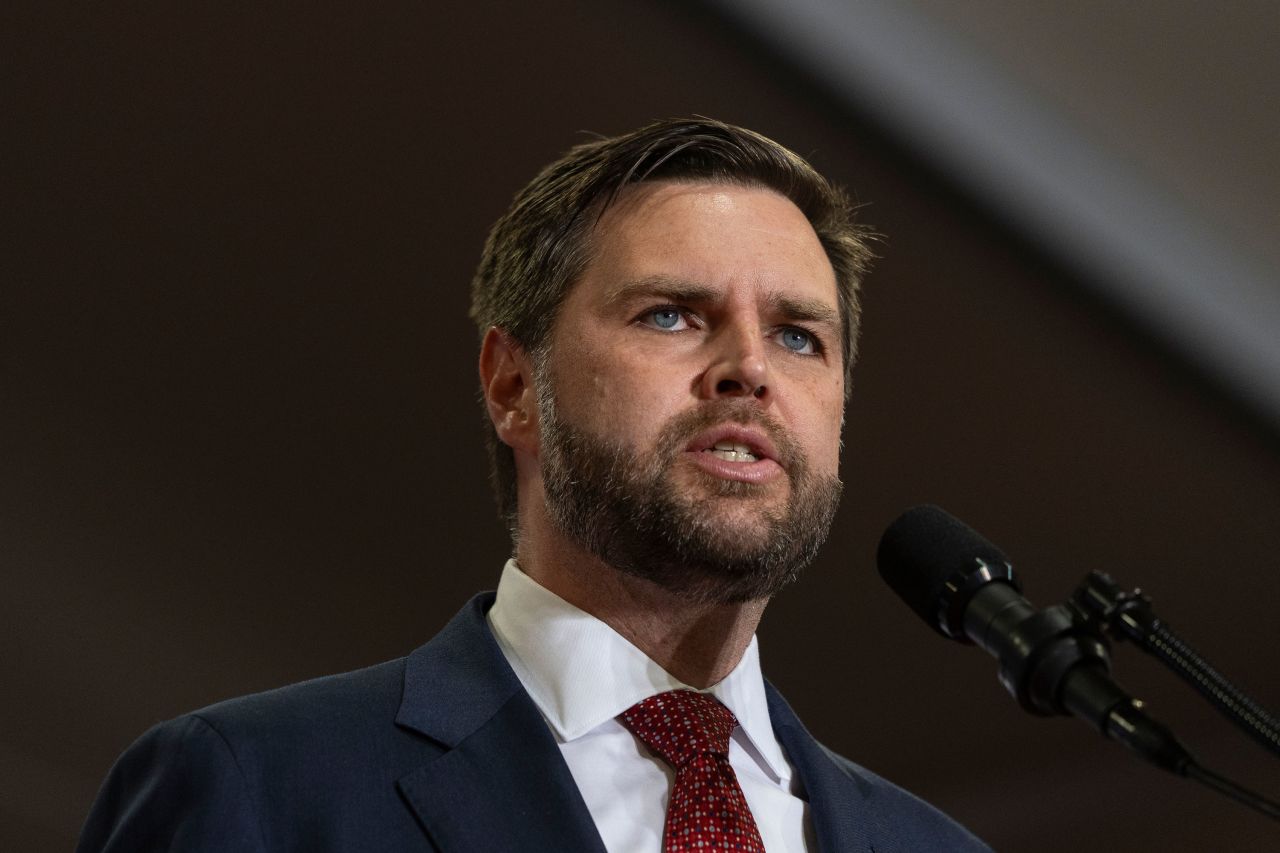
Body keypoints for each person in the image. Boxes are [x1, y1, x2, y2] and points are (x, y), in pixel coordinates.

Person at [78, 118, 989, 852]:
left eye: (799, 336)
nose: (749, 367)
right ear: (514, 386)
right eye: (672, 314)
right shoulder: (262, 787)